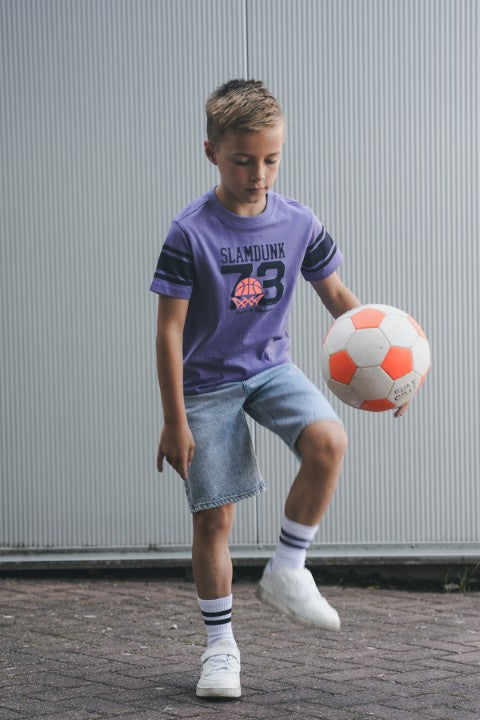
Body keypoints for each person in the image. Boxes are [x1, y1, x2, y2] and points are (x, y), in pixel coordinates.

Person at [150, 79, 408, 700]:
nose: (258, 175)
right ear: (211, 152)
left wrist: (388, 373)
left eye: (271, 159)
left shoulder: (298, 221)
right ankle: (220, 648)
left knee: (329, 441)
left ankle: (289, 568)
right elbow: (168, 331)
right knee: (215, 517)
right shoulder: (190, 232)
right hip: (207, 384)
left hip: (270, 368)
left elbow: (339, 298)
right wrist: (175, 419)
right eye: (243, 161)